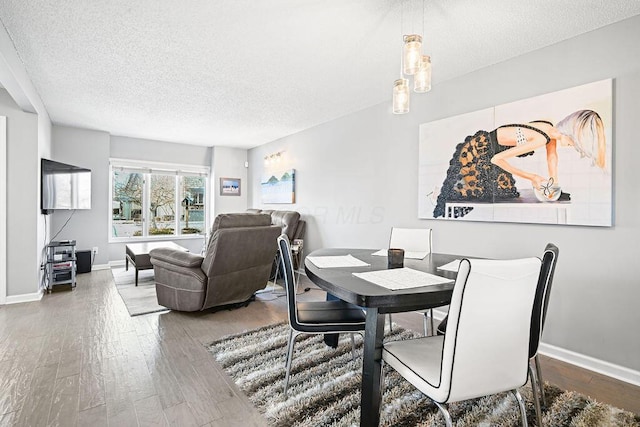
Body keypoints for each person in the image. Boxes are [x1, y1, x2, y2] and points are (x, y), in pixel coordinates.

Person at [432, 109, 606, 218]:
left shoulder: (550, 129)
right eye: (574, 143)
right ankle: (435, 195)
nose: (572, 146)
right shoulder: (540, 138)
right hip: (479, 151)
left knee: (502, 193)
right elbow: (496, 159)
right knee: (464, 194)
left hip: (492, 153)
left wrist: (554, 186)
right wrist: (533, 177)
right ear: (569, 133)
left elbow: (552, 158)